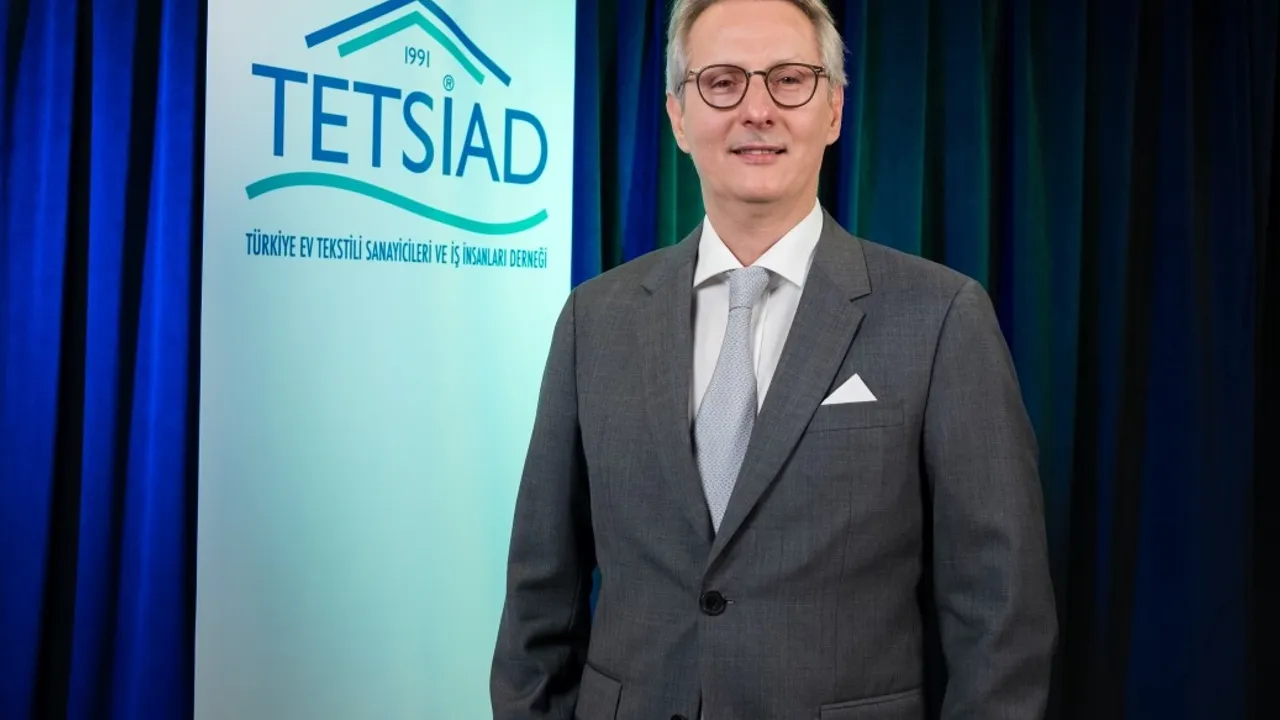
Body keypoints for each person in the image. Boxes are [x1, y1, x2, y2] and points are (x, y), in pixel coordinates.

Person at [489, 0, 1057, 717]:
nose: (756, 110)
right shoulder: (593, 320)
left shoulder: (942, 317)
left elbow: (1001, 618)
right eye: (722, 82)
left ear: (833, 111)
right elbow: (540, 596)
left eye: (789, 80)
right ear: (677, 117)